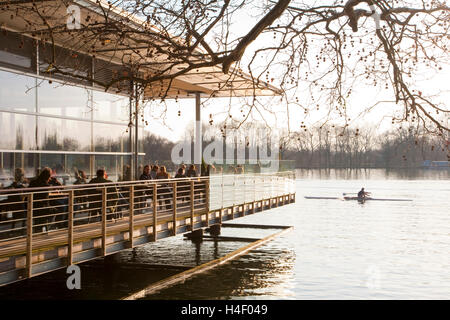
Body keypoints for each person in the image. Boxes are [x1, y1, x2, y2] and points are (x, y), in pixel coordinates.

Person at [29, 167, 54, 233]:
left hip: (31, 207)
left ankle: (40, 227)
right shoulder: (46, 185)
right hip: (42, 208)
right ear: (48, 176)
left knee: (44, 209)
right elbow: (45, 200)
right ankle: (47, 228)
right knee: (56, 210)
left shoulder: (33, 182)